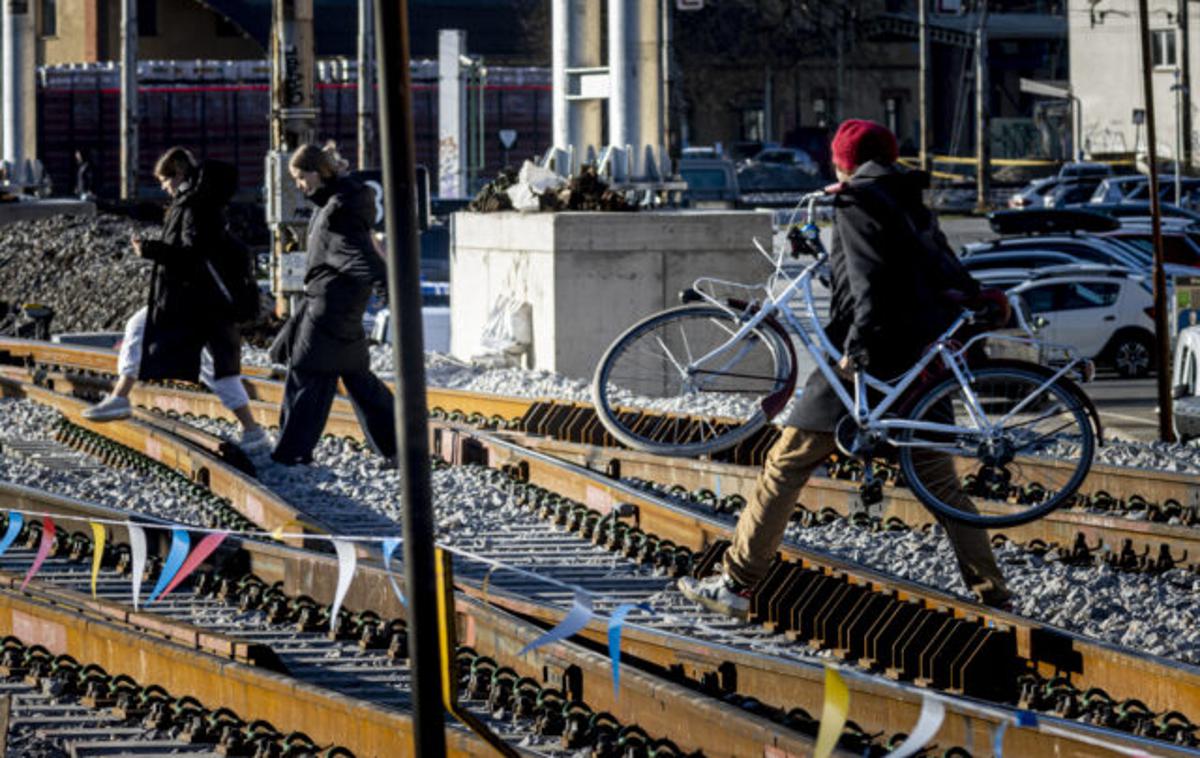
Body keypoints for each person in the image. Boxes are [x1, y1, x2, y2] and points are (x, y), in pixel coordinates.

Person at [679, 119, 1012, 618]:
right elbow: (935, 266)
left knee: (783, 468)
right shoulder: (908, 198)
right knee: (942, 488)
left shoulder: (857, 201)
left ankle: (736, 584)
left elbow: (870, 283)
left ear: (843, 161)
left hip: (865, 363)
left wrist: (856, 351)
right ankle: (995, 594)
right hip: (917, 366)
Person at [83, 147, 272, 456]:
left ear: (180, 174)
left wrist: (150, 250)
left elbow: (193, 255)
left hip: (192, 302)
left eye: (165, 179)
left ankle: (120, 397)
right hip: (198, 303)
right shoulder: (195, 205)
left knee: (139, 329)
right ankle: (253, 432)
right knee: (215, 369)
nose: (163, 186)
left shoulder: (194, 208)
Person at [268, 142, 396, 466]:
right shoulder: (338, 203)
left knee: (307, 373)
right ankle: (399, 445)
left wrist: (388, 286)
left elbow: (358, 254)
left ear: (316, 173)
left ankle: (292, 454)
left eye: (300, 177)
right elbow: (362, 251)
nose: (299, 185)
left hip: (329, 307)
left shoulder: (337, 211)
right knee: (356, 377)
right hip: (343, 305)